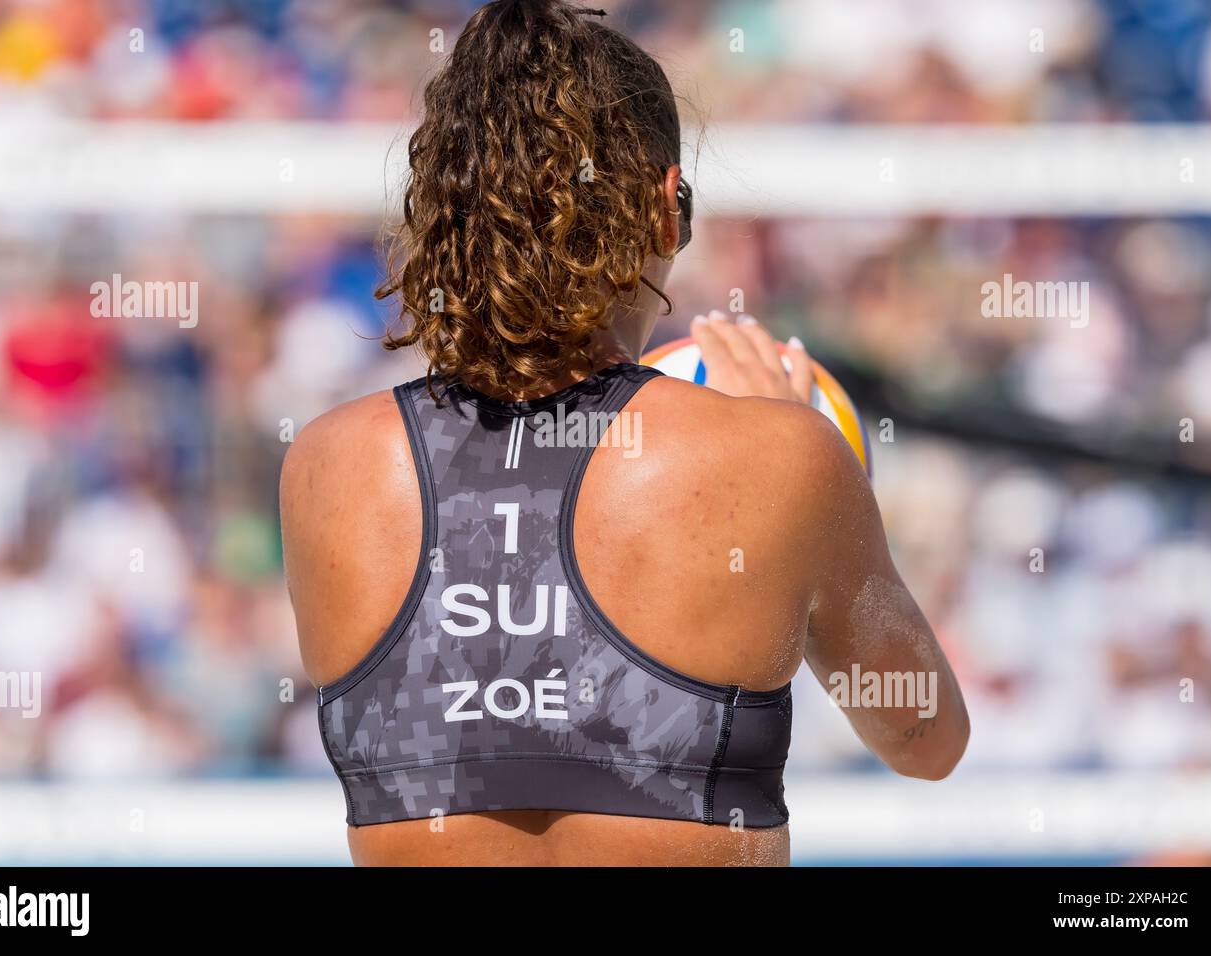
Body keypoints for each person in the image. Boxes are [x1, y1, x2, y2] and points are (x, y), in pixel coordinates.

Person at [280, 0, 968, 867]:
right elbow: (925, 738)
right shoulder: (776, 458)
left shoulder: (330, 466)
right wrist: (808, 471)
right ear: (664, 206)